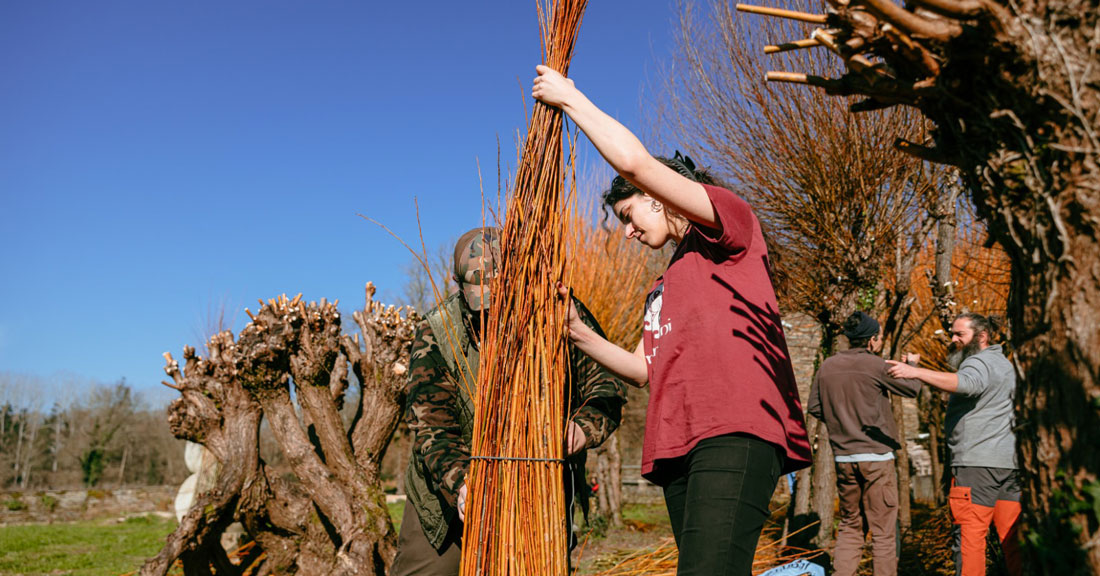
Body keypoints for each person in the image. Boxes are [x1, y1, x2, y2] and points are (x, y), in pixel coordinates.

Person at [533, 65, 812, 575]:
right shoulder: (664, 285)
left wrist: (571, 101)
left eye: (627, 216)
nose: (627, 233)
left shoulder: (728, 228)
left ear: (658, 198)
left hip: (735, 431)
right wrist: (574, 329)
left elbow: (636, 163)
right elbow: (643, 370)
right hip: (680, 444)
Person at [390, 227, 627, 576]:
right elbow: (431, 425)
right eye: (481, 310)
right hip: (447, 497)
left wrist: (579, 430)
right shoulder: (437, 331)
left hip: (537, 492)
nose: (492, 319)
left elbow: (607, 388)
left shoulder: (560, 314)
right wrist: (463, 483)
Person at [886, 313, 1020, 576]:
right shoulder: (1004, 364)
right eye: (952, 333)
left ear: (982, 337)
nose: (953, 339)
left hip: (976, 467)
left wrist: (915, 372)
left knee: (970, 539)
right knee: (1013, 540)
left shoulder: (978, 364)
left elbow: (968, 383)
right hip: (1008, 466)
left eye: (960, 334)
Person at [807, 311, 922, 576]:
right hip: (877, 459)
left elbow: (814, 406)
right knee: (882, 532)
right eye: (879, 337)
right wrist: (912, 366)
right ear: (871, 340)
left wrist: (841, 422)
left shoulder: (827, 366)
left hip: (844, 458)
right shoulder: (876, 365)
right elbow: (913, 389)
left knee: (850, 525)